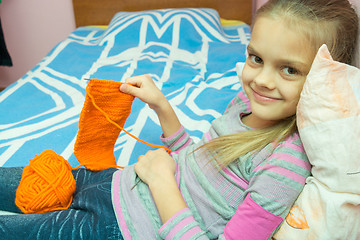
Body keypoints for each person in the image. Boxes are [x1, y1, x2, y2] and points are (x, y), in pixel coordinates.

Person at [0, 0, 358, 239]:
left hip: (118, 226)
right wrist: (161, 107)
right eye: (256, 58)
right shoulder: (245, 103)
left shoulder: (285, 164)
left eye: (289, 69)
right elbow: (196, 159)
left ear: (328, 79)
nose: (262, 80)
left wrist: (160, 180)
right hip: (112, 182)